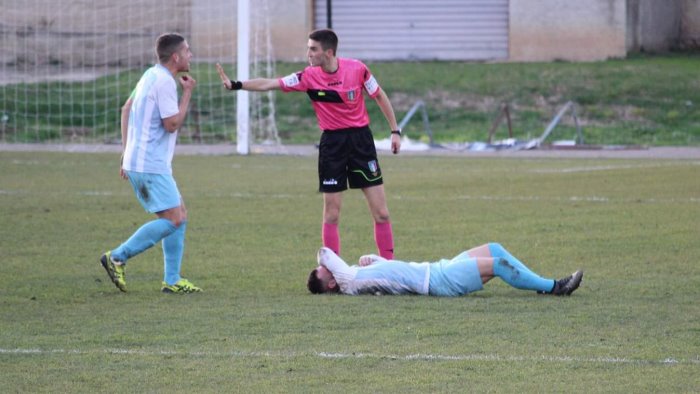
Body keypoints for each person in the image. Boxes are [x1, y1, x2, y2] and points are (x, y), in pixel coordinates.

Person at [216, 29, 401, 260]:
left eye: (313, 49)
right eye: (308, 48)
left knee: (382, 213)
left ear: (329, 52)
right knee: (331, 214)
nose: (308, 53)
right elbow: (270, 84)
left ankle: (390, 267)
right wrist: (236, 84)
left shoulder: (357, 69)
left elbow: (380, 96)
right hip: (332, 145)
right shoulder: (307, 76)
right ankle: (332, 271)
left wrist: (395, 131)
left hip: (361, 141)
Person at [99, 33, 202, 294]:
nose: (191, 55)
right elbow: (172, 124)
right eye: (187, 51)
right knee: (174, 218)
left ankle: (172, 279)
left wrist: (126, 153)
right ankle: (117, 257)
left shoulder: (149, 75)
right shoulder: (166, 83)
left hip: (140, 160)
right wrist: (187, 93)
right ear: (176, 57)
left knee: (179, 214)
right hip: (150, 164)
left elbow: (126, 108)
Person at [308, 243, 583, 296]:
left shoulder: (353, 276)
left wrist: (373, 258)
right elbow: (325, 252)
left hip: (438, 268)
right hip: (439, 281)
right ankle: (554, 287)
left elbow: (393, 270)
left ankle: (539, 284)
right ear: (331, 283)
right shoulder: (347, 282)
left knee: (495, 248)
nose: (326, 266)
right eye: (324, 271)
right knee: (498, 265)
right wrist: (323, 264)